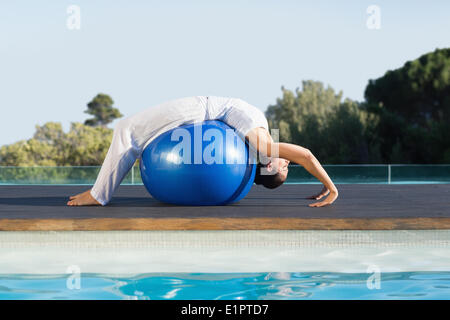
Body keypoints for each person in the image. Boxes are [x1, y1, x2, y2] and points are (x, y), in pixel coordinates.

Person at [67, 96, 338, 207]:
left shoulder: (264, 146)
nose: (288, 161)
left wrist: (330, 187)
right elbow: (304, 157)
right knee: (130, 130)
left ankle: (98, 195)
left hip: (201, 111)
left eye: (286, 167)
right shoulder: (259, 139)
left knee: (126, 128)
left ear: (269, 166)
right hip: (206, 109)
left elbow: (307, 155)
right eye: (288, 166)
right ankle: (101, 191)